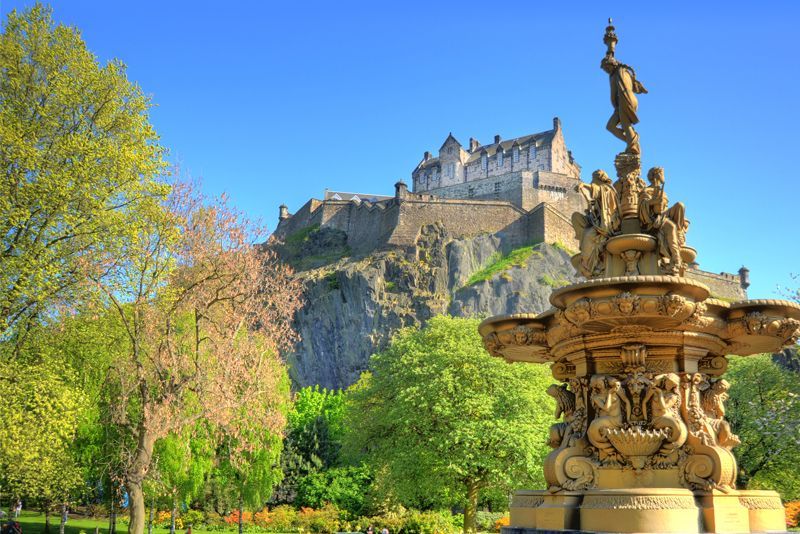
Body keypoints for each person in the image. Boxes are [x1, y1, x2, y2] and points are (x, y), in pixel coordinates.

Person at [601, 55, 647, 154]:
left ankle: (633, 145)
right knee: (610, 126)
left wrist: (619, 104)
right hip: (626, 100)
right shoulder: (620, 71)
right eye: (605, 70)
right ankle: (631, 141)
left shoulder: (618, 72)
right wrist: (610, 47)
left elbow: (617, 92)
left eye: (607, 68)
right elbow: (610, 56)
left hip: (625, 99)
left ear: (612, 64)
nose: (607, 71)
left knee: (626, 125)